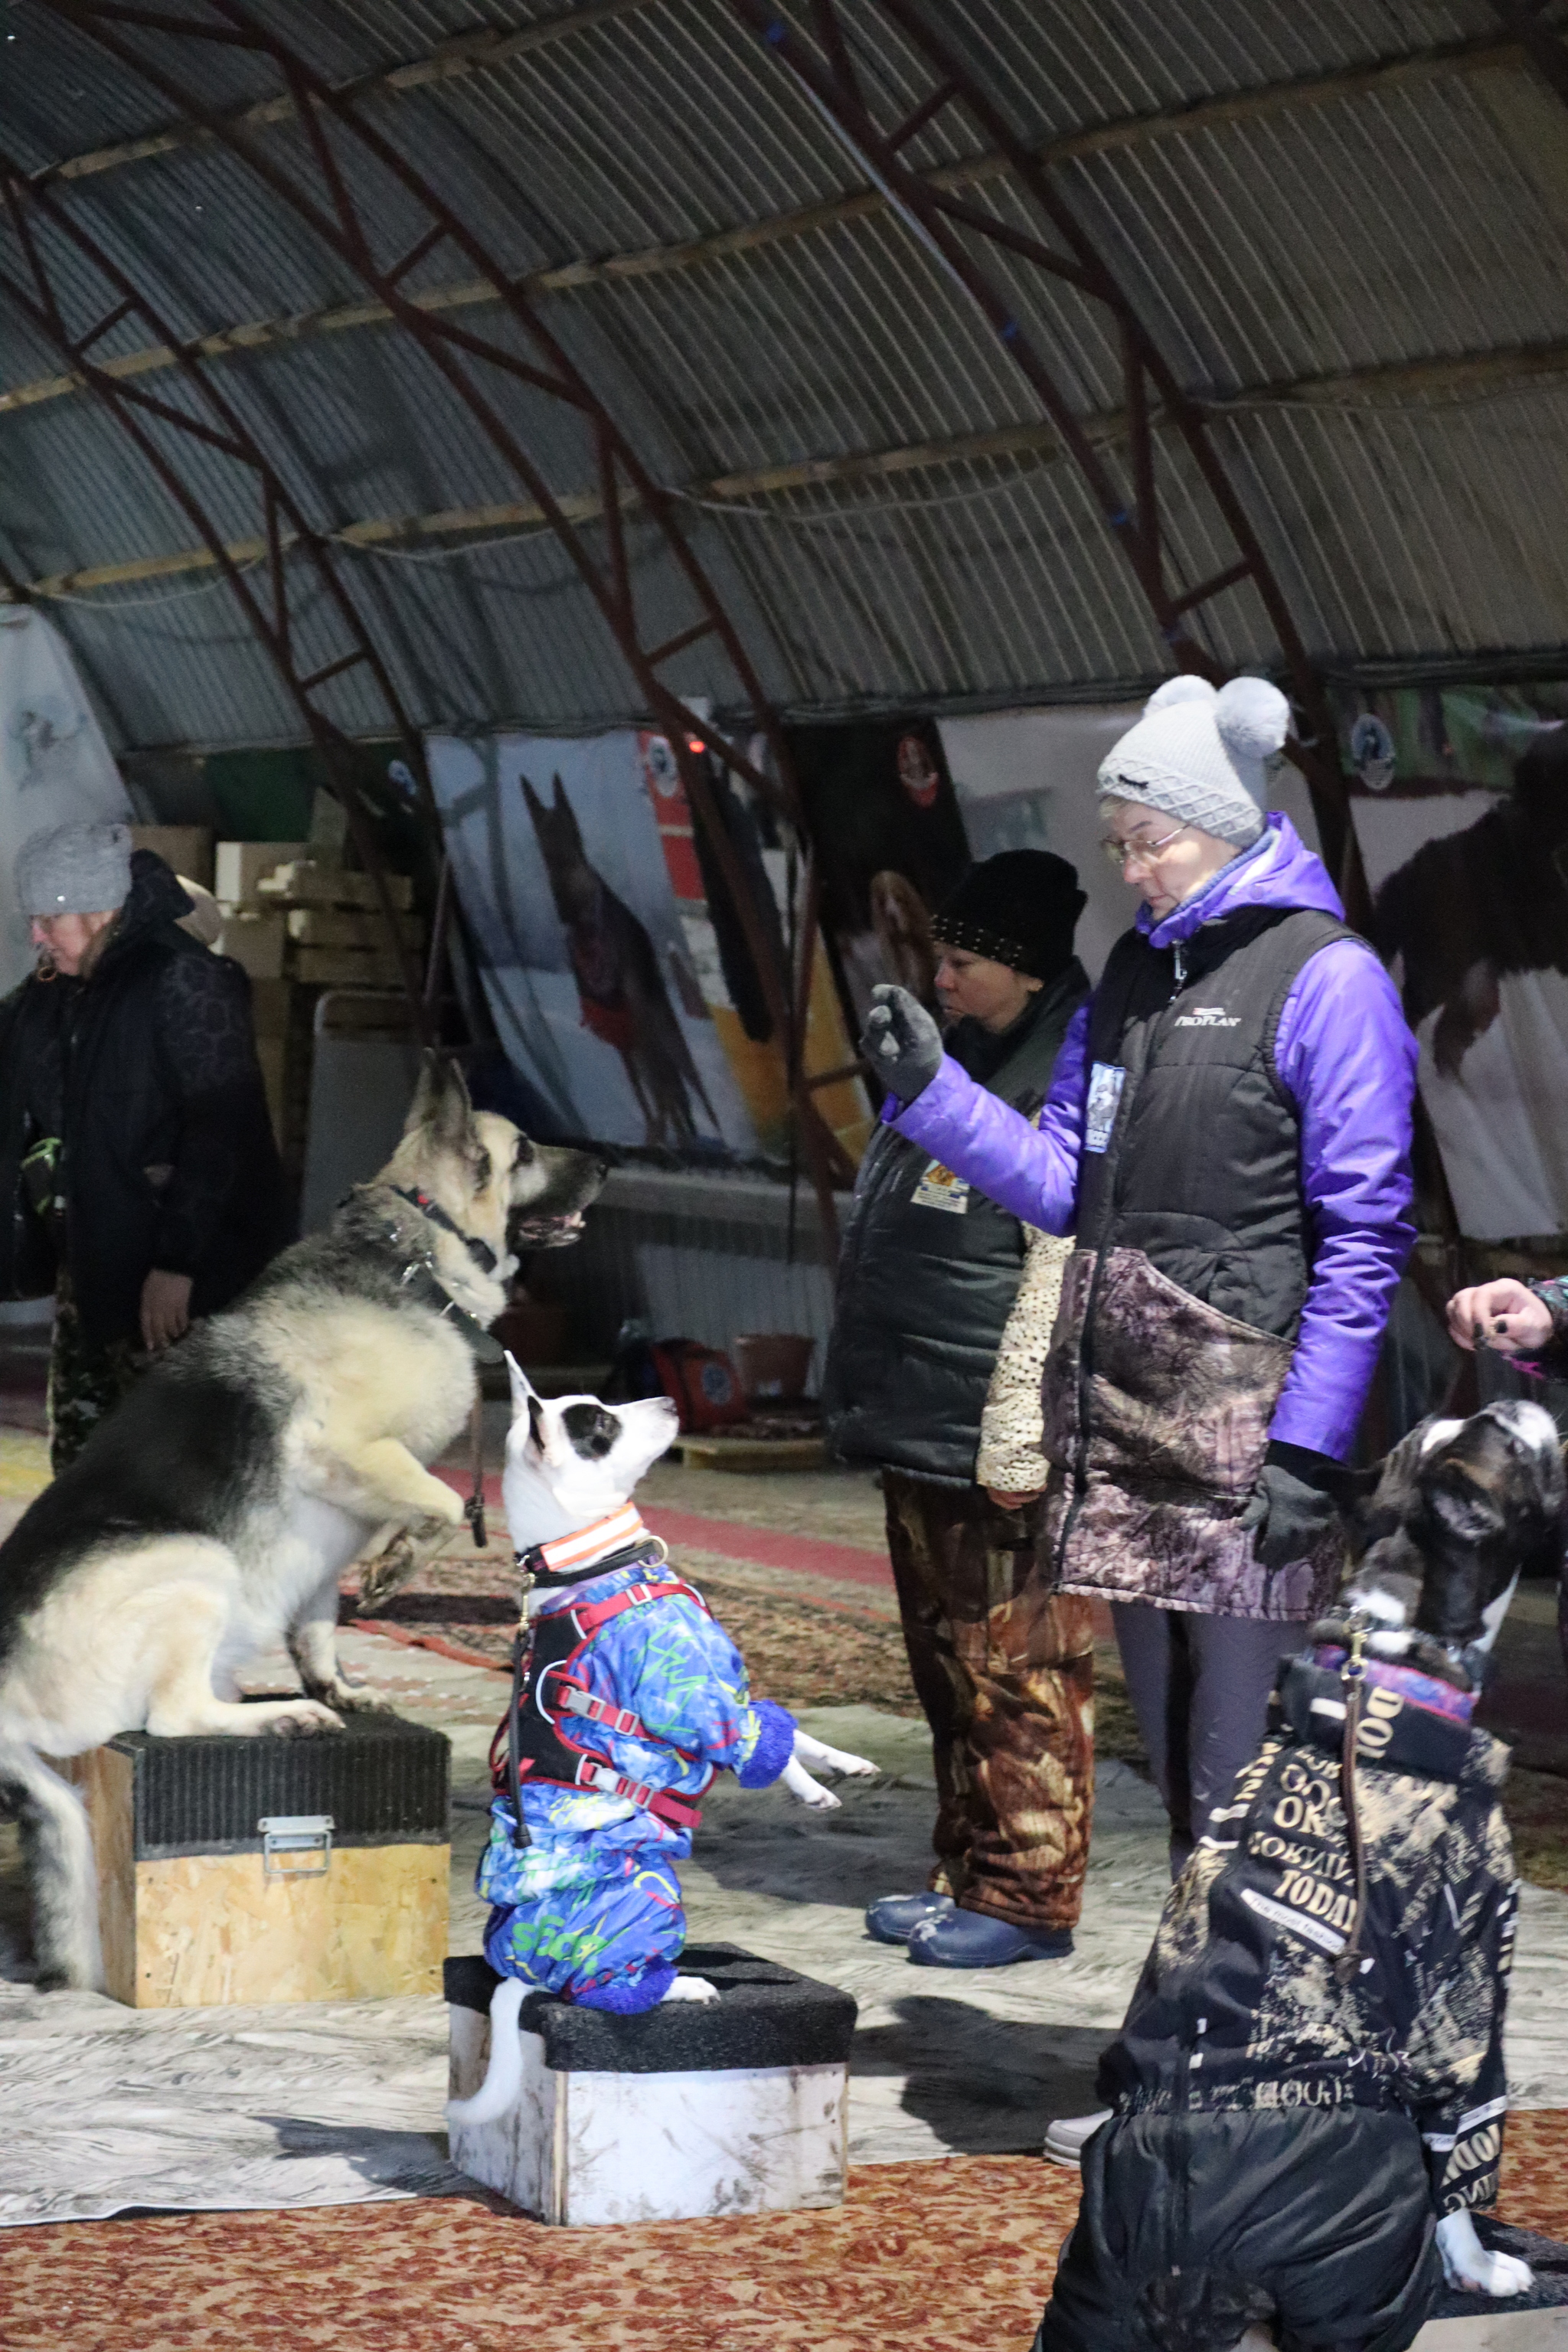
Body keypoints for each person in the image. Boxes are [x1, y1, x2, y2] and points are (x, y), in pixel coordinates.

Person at [861, 677, 1419, 1927]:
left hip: (1243, 1441)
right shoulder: (1130, 977)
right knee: (1173, 1765)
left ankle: (1247, 2078)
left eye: (1148, 840)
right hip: (1128, 1438)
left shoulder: (1325, 981)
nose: (1130, 870)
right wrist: (930, 1095)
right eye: (1116, 845)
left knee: (1243, 1775)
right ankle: (1199, 2067)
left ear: (1222, 821)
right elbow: (1066, 1183)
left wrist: (1307, 1446)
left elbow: (1365, 1237)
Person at [822, 850, 1096, 1967]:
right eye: (939, 953)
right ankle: (968, 1870)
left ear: (1028, 974)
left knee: (1017, 1662)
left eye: (965, 959)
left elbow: (1061, 1197)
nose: (942, 976)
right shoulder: (960, 1051)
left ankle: (1027, 1897)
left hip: (998, 1416)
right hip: (920, 1412)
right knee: (945, 1663)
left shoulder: (1070, 1061)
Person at [0, 821, 292, 1471]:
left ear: (99, 910)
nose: (36, 937)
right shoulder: (53, 994)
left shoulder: (185, 980)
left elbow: (223, 1131)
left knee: (180, 1466)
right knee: (83, 1468)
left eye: (49, 919)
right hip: (96, 1265)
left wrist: (177, 1265)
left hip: (181, 1280)